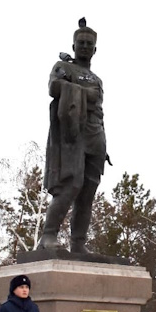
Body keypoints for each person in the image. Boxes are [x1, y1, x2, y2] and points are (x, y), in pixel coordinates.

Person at [37, 17, 108, 252]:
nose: (86, 46)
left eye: (90, 43)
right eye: (82, 42)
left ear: (95, 49)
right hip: (73, 133)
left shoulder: (97, 79)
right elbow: (54, 88)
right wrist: (83, 93)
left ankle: (78, 243)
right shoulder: (63, 67)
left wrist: (104, 146)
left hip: (95, 135)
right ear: (74, 46)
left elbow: (98, 105)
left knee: (88, 192)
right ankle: (48, 236)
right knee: (71, 184)